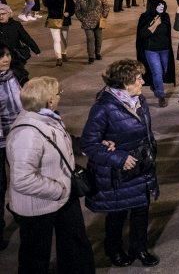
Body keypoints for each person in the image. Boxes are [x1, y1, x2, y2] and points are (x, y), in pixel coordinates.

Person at [7, 76, 94, 273]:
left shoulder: (49, 118)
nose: (60, 97)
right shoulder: (27, 134)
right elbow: (22, 179)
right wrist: (59, 190)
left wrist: (86, 146)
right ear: (49, 100)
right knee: (35, 256)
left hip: (63, 195)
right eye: (58, 93)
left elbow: (62, 143)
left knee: (75, 246)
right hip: (39, 205)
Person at [81, 60, 160, 267]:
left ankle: (139, 248)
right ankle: (113, 249)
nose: (142, 81)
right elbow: (89, 143)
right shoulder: (103, 107)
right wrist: (119, 158)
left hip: (141, 166)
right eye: (138, 78)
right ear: (125, 83)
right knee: (118, 213)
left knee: (141, 210)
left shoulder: (139, 99)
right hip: (119, 173)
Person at [0, 44, 24, 248]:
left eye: (7, 55)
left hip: (17, 136)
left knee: (20, 176)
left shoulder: (12, 76)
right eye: (1, 57)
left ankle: (19, 209)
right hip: (0, 141)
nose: (5, 59)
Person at [135, 0, 176, 108]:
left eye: (163, 5)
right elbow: (142, 34)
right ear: (153, 6)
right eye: (159, 5)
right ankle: (161, 96)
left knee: (164, 71)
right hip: (151, 50)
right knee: (157, 72)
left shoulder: (166, 16)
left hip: (165, 49)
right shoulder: (145, 17)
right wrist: (155, 24)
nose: (162, 7)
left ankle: (155, 85)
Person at [74, 0, 110, 65]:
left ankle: (97, 53)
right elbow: (77, 11)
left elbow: (106, 6)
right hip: (87, 22)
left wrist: (103, 16)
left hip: (98, 21)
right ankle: (91, 56)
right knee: (90, 39)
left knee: (99, 38)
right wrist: (82, 19)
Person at [43, 0, 75, 67]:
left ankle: (64, 52)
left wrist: (69, 13)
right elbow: (48, 4)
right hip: (54, 20)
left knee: (64, 39)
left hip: (65, 20)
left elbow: (72, 6)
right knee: (57, 40)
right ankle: (58, 58)